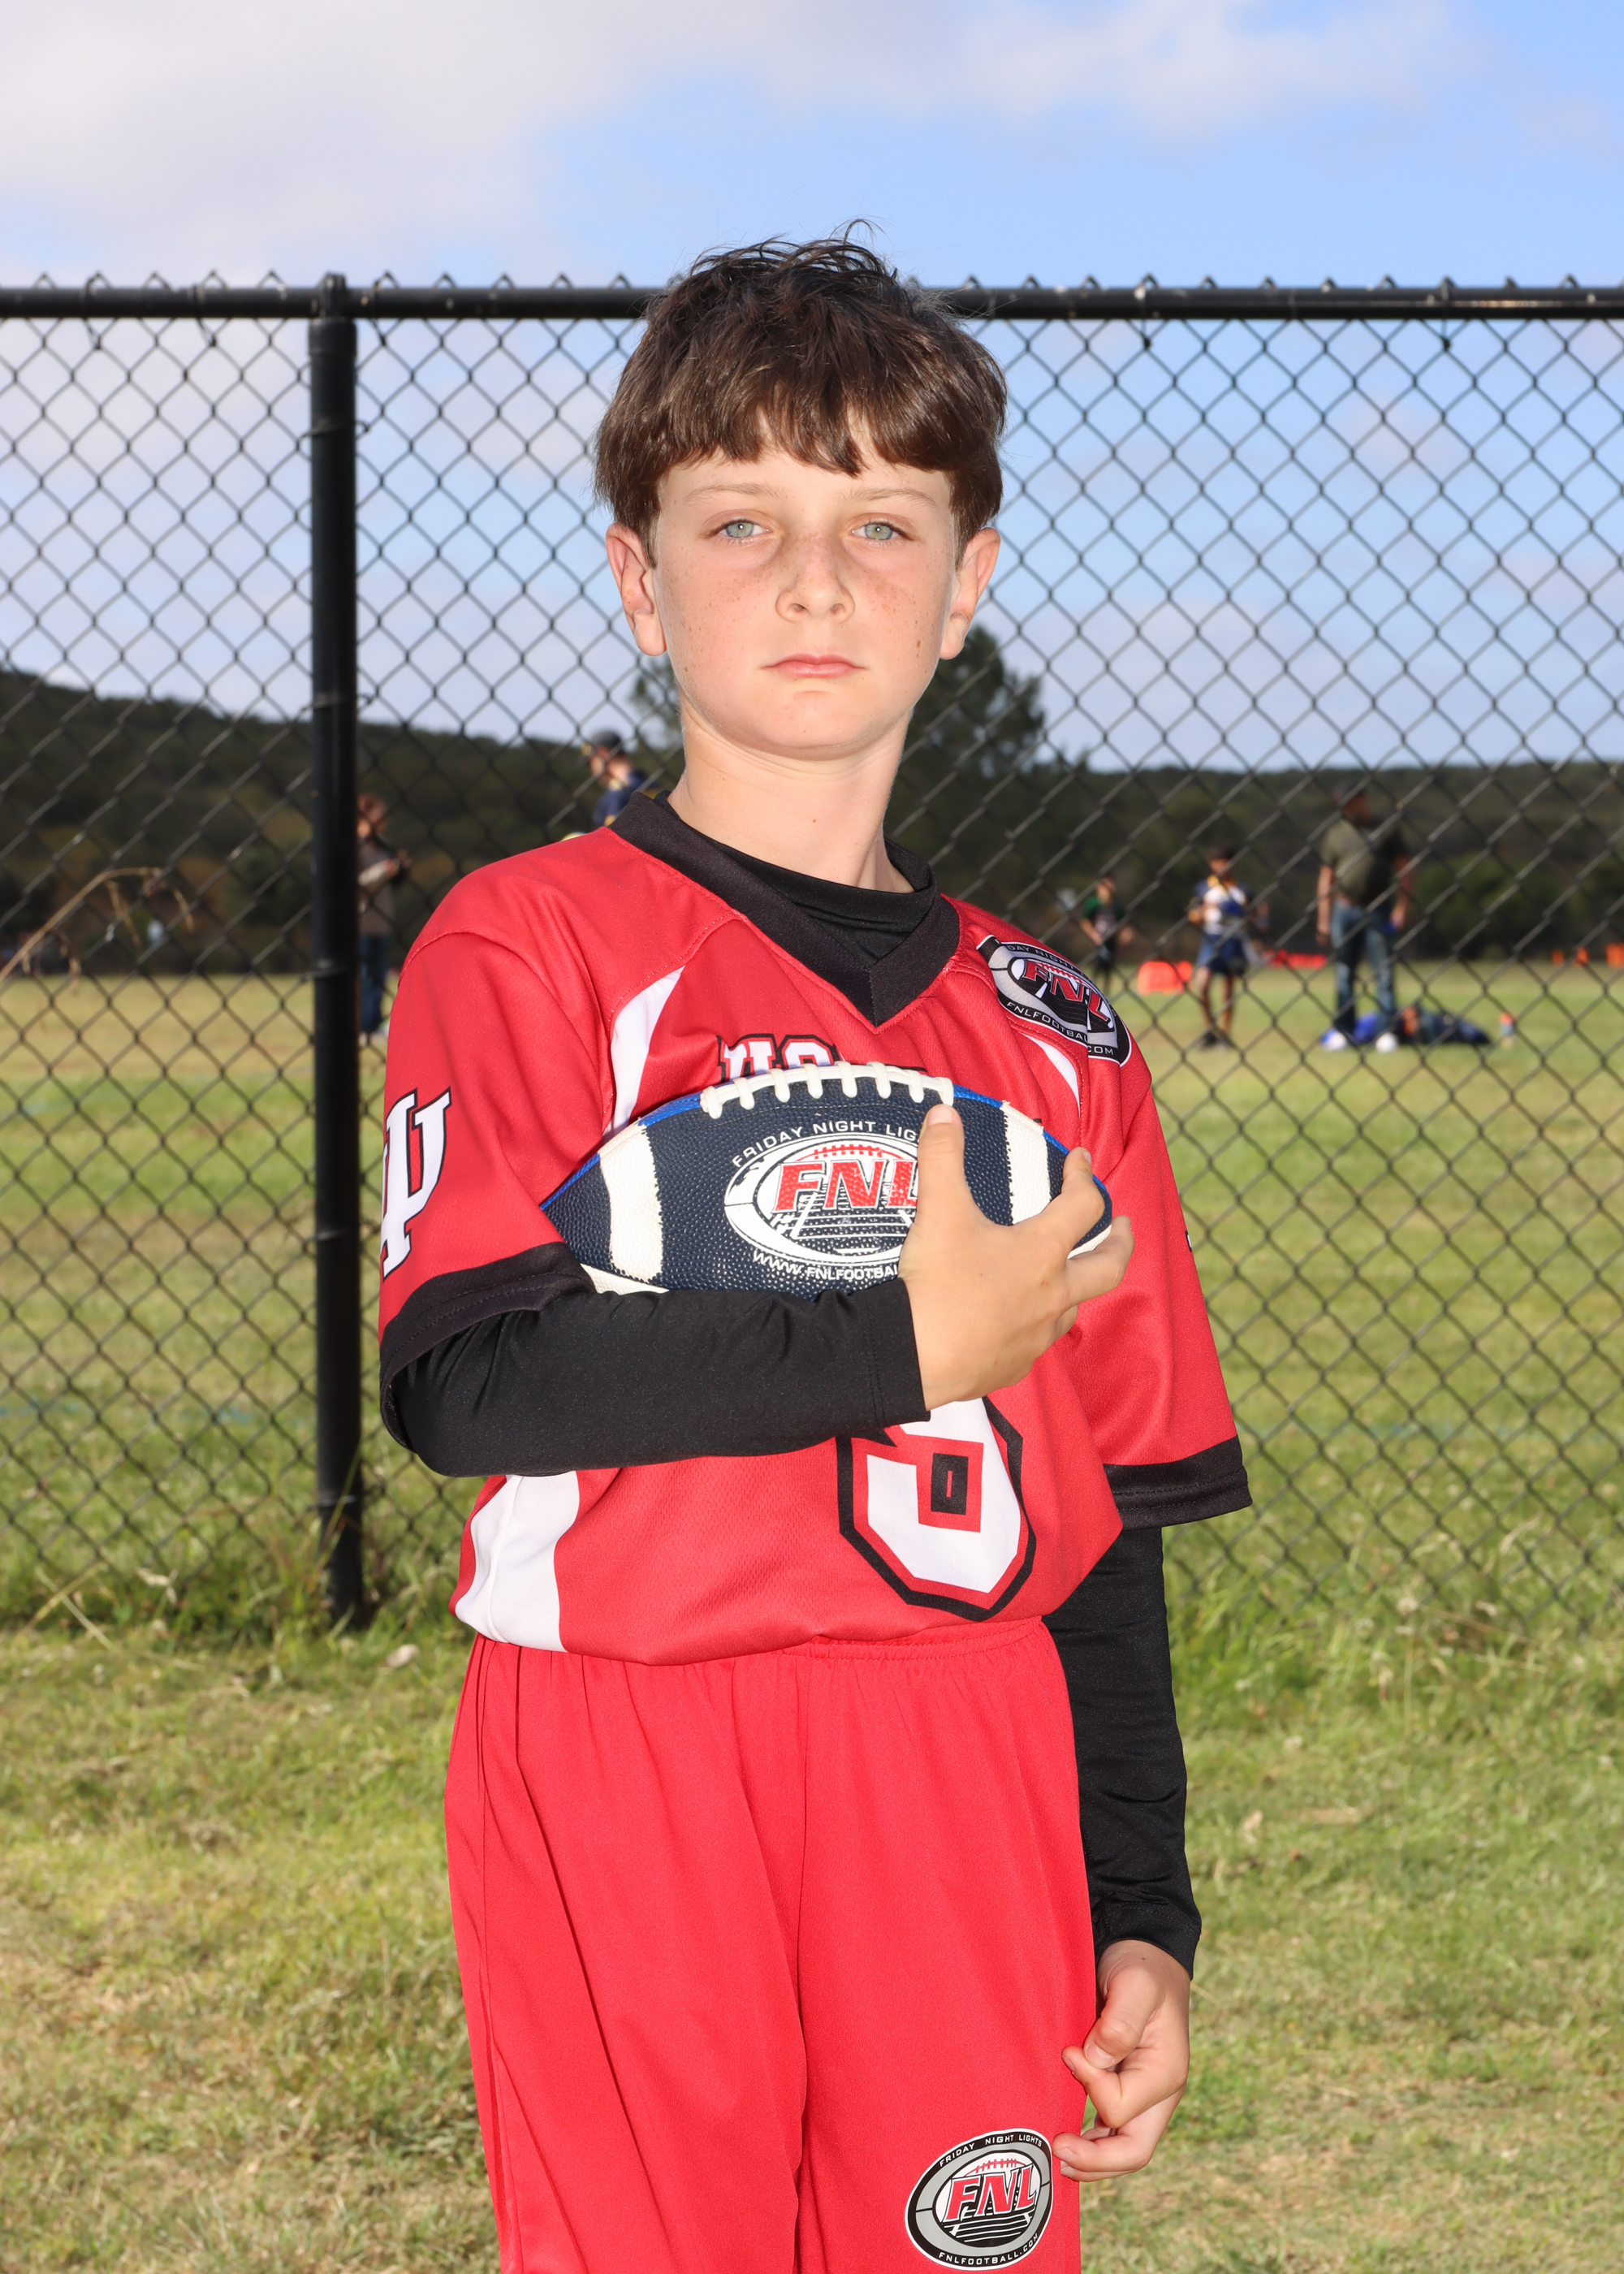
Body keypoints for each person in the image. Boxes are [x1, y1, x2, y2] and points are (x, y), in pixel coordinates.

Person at [376, 239, 1250, 2274]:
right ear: (637, 579)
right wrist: (900, 1342)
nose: (810, 581)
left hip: (966, 1756)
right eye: (739, 522)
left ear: (966, 582)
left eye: (879, 525)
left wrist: (1142, 1906)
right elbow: (468, 1378)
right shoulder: (529, 941)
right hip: (627, 1739)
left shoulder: (1056, 1030)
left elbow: (1102, 1526)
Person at [1315, 786, 1415, 1045]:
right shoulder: (1336, 833)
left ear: (1361, 800)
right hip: (1343, 908)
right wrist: (1323, 918)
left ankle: (1386, 1032)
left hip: (1379, 908)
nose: (1344, 809)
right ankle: (1344, 1030)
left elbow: (1404, 869)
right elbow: (1326, 877)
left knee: (1384, 972)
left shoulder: (1386, 829)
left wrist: (1402, 907)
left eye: (1348, 802)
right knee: (1343, 972)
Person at [1187, 844, 1253, 1047]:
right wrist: (1208, 909)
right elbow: (1193, 916)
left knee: (1228, 988)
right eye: (1219, 862)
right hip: (1211, 938)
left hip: (1233, 939)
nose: (1223, 866)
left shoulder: (1242, 889)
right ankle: (1210, 1029)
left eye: (1227, 862)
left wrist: (1239, 912)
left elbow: (1252, 916)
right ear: (1211, 864)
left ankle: (1224, 1033)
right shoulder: (1203, 888)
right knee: (1203, 983)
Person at [356, 794, 410, 1041]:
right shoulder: (356, 849)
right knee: (365, 977)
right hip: (362, 922)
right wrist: (383, 871)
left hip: (381, 922)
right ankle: (364, 1025)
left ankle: (373, 1023)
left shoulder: (382, 847)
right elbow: (358, 882)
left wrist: (400, 869)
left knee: (378, 977)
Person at [584, 726, 648, 825]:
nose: (592, 770)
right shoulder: (651, 783)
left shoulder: (617, 794)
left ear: (603, 754)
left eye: (591, 762)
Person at [1080, 871, 1131, 980]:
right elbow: (1085, 922)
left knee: (1109, 968)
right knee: (1097, 965)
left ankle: (1106, 987)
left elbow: (1124, 922)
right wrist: (1093, 934)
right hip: (1098, 939)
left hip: (1111, 939)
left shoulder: (1116, 905)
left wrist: (1126, 932)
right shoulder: (1093, 904)